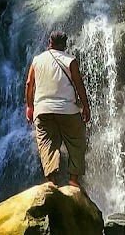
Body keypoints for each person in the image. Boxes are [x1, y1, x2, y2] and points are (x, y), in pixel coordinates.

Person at [25, 30, 91, 189]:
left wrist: (29, 106)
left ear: (49, 43)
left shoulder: (37, 60)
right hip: (67, 110)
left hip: (42, 110)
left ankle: (51, 182)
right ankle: (73, 180)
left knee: (47, 144)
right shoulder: (70, 60)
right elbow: (79, 85)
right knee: (77, 141)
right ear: (65, 44)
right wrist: (86, 106)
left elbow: (29, 84)